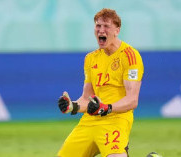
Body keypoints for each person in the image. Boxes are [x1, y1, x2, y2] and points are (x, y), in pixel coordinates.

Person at [57, 8, 144, 157]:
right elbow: (87, 98)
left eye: (106, 26)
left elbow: (132, 100)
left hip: (116, 119)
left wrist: (107, 108)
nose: (101, 30)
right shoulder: (91, 59)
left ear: (117, 30)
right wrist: (72, 106)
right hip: (89, 121)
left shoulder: (130, 56)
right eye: (98, 26)